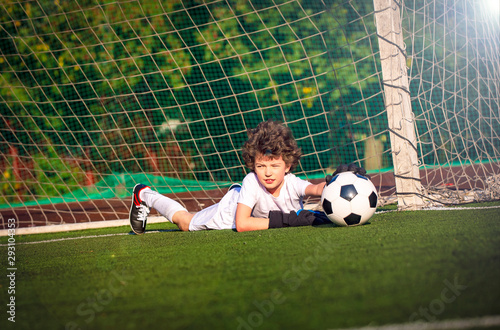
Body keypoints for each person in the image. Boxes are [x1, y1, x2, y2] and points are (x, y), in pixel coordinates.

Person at [129, 120, 367, 234]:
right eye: (261, 165)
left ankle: (146, 194)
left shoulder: (292, 182)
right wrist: (289, 220)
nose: (268, 172)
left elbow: (316, 189)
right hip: (232, 210)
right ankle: (144, 194)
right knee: (184, 222)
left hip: (252, 204)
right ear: (253, 164)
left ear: (287, 165)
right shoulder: (253, 180)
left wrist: (337, 180)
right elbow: (242, 224)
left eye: (275, 165)